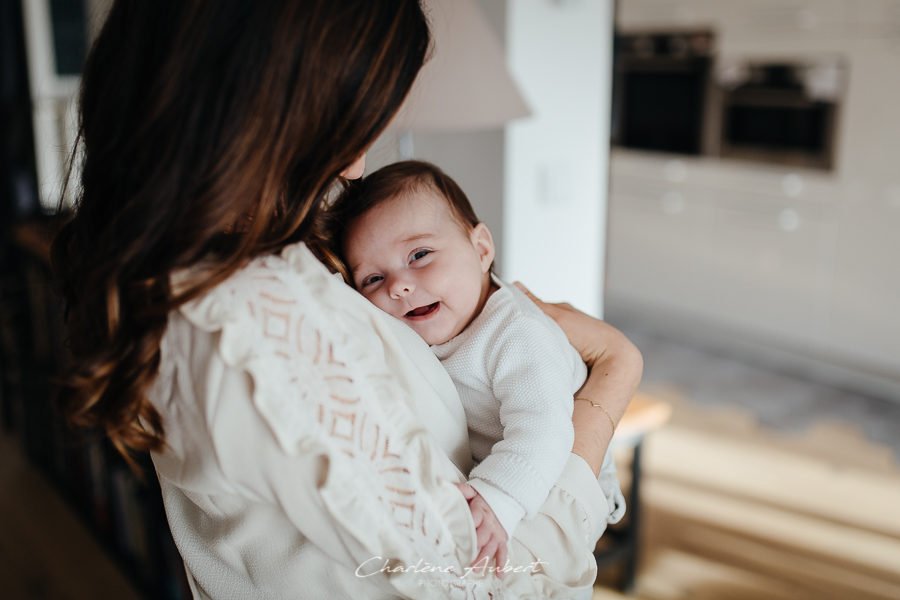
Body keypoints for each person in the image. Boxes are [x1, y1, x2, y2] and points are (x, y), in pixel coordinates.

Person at [51, 1, 643, 599]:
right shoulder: (256, 323)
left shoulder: (227, 273)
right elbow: (479, 586)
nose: (357, 164)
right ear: (263, 104)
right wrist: (614, 374)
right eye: (348, 122)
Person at [327, 160, 627, 568]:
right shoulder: (419, 333)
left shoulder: (515, 333)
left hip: (553, 471)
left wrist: (497, 498)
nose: (399, 285)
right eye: (373, 280)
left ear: (481, 249)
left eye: (419, 254)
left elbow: (545, 429)